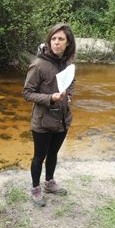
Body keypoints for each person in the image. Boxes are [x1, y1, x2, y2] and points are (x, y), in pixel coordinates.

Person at [23, 23, 76, 206]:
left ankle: (49, 182)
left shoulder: (68, 65)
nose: (57, 42)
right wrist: (50, 98)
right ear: (49, 41)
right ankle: (35, 188)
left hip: (62, 120)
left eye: (61, 39)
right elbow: (27, 93)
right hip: (42, 120)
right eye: (53, 38)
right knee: (39, 156)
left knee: (53, 154)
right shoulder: (38, 65)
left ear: (68, 43)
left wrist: (68, 96)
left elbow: (70, 85)